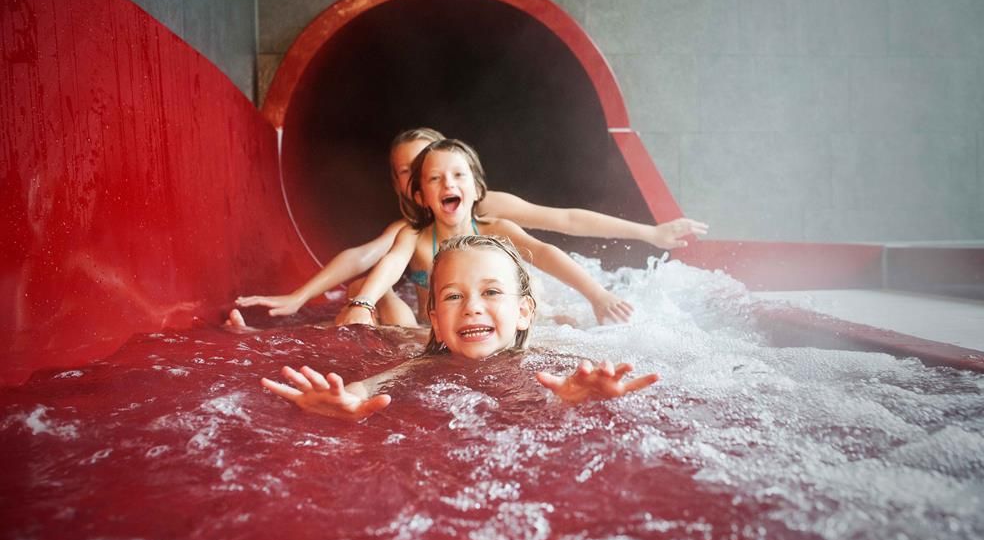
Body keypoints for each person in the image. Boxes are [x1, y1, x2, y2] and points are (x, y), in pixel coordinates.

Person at [234, 128, 708, 322]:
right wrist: (302, 298)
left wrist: (649, 236)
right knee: (369, 294)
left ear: (469, 177)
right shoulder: (410, 232)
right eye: (415, 173)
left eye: (447, 169)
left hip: (508, 309)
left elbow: (562, 224)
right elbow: (367, 259)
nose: (439, 181)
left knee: (543, 312)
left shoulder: (489, 213)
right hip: (447, 324)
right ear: (409, 186)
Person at [260, 235, 659, 420]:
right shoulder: (424, 366)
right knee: (393, 323)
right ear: (435, 320)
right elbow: (364, 389)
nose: (471, 308)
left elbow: (577, 391)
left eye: (491, 292)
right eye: (453, 297)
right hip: (408, 336)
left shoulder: (551, 362)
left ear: (523, 313)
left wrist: (586, 399)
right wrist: (339, 402)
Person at [337, 138, 634, 326]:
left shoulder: (496, 229)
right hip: (438, 327)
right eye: (435, 178)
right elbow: (391, 264)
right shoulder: (415, 237)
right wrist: (364, 302)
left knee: (551, 316)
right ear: (421, 197)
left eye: (458, 175)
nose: (448, 184)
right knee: (371, 296)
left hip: (493, 321)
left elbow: (543, 253)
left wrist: (597, 295)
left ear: (478, 189)